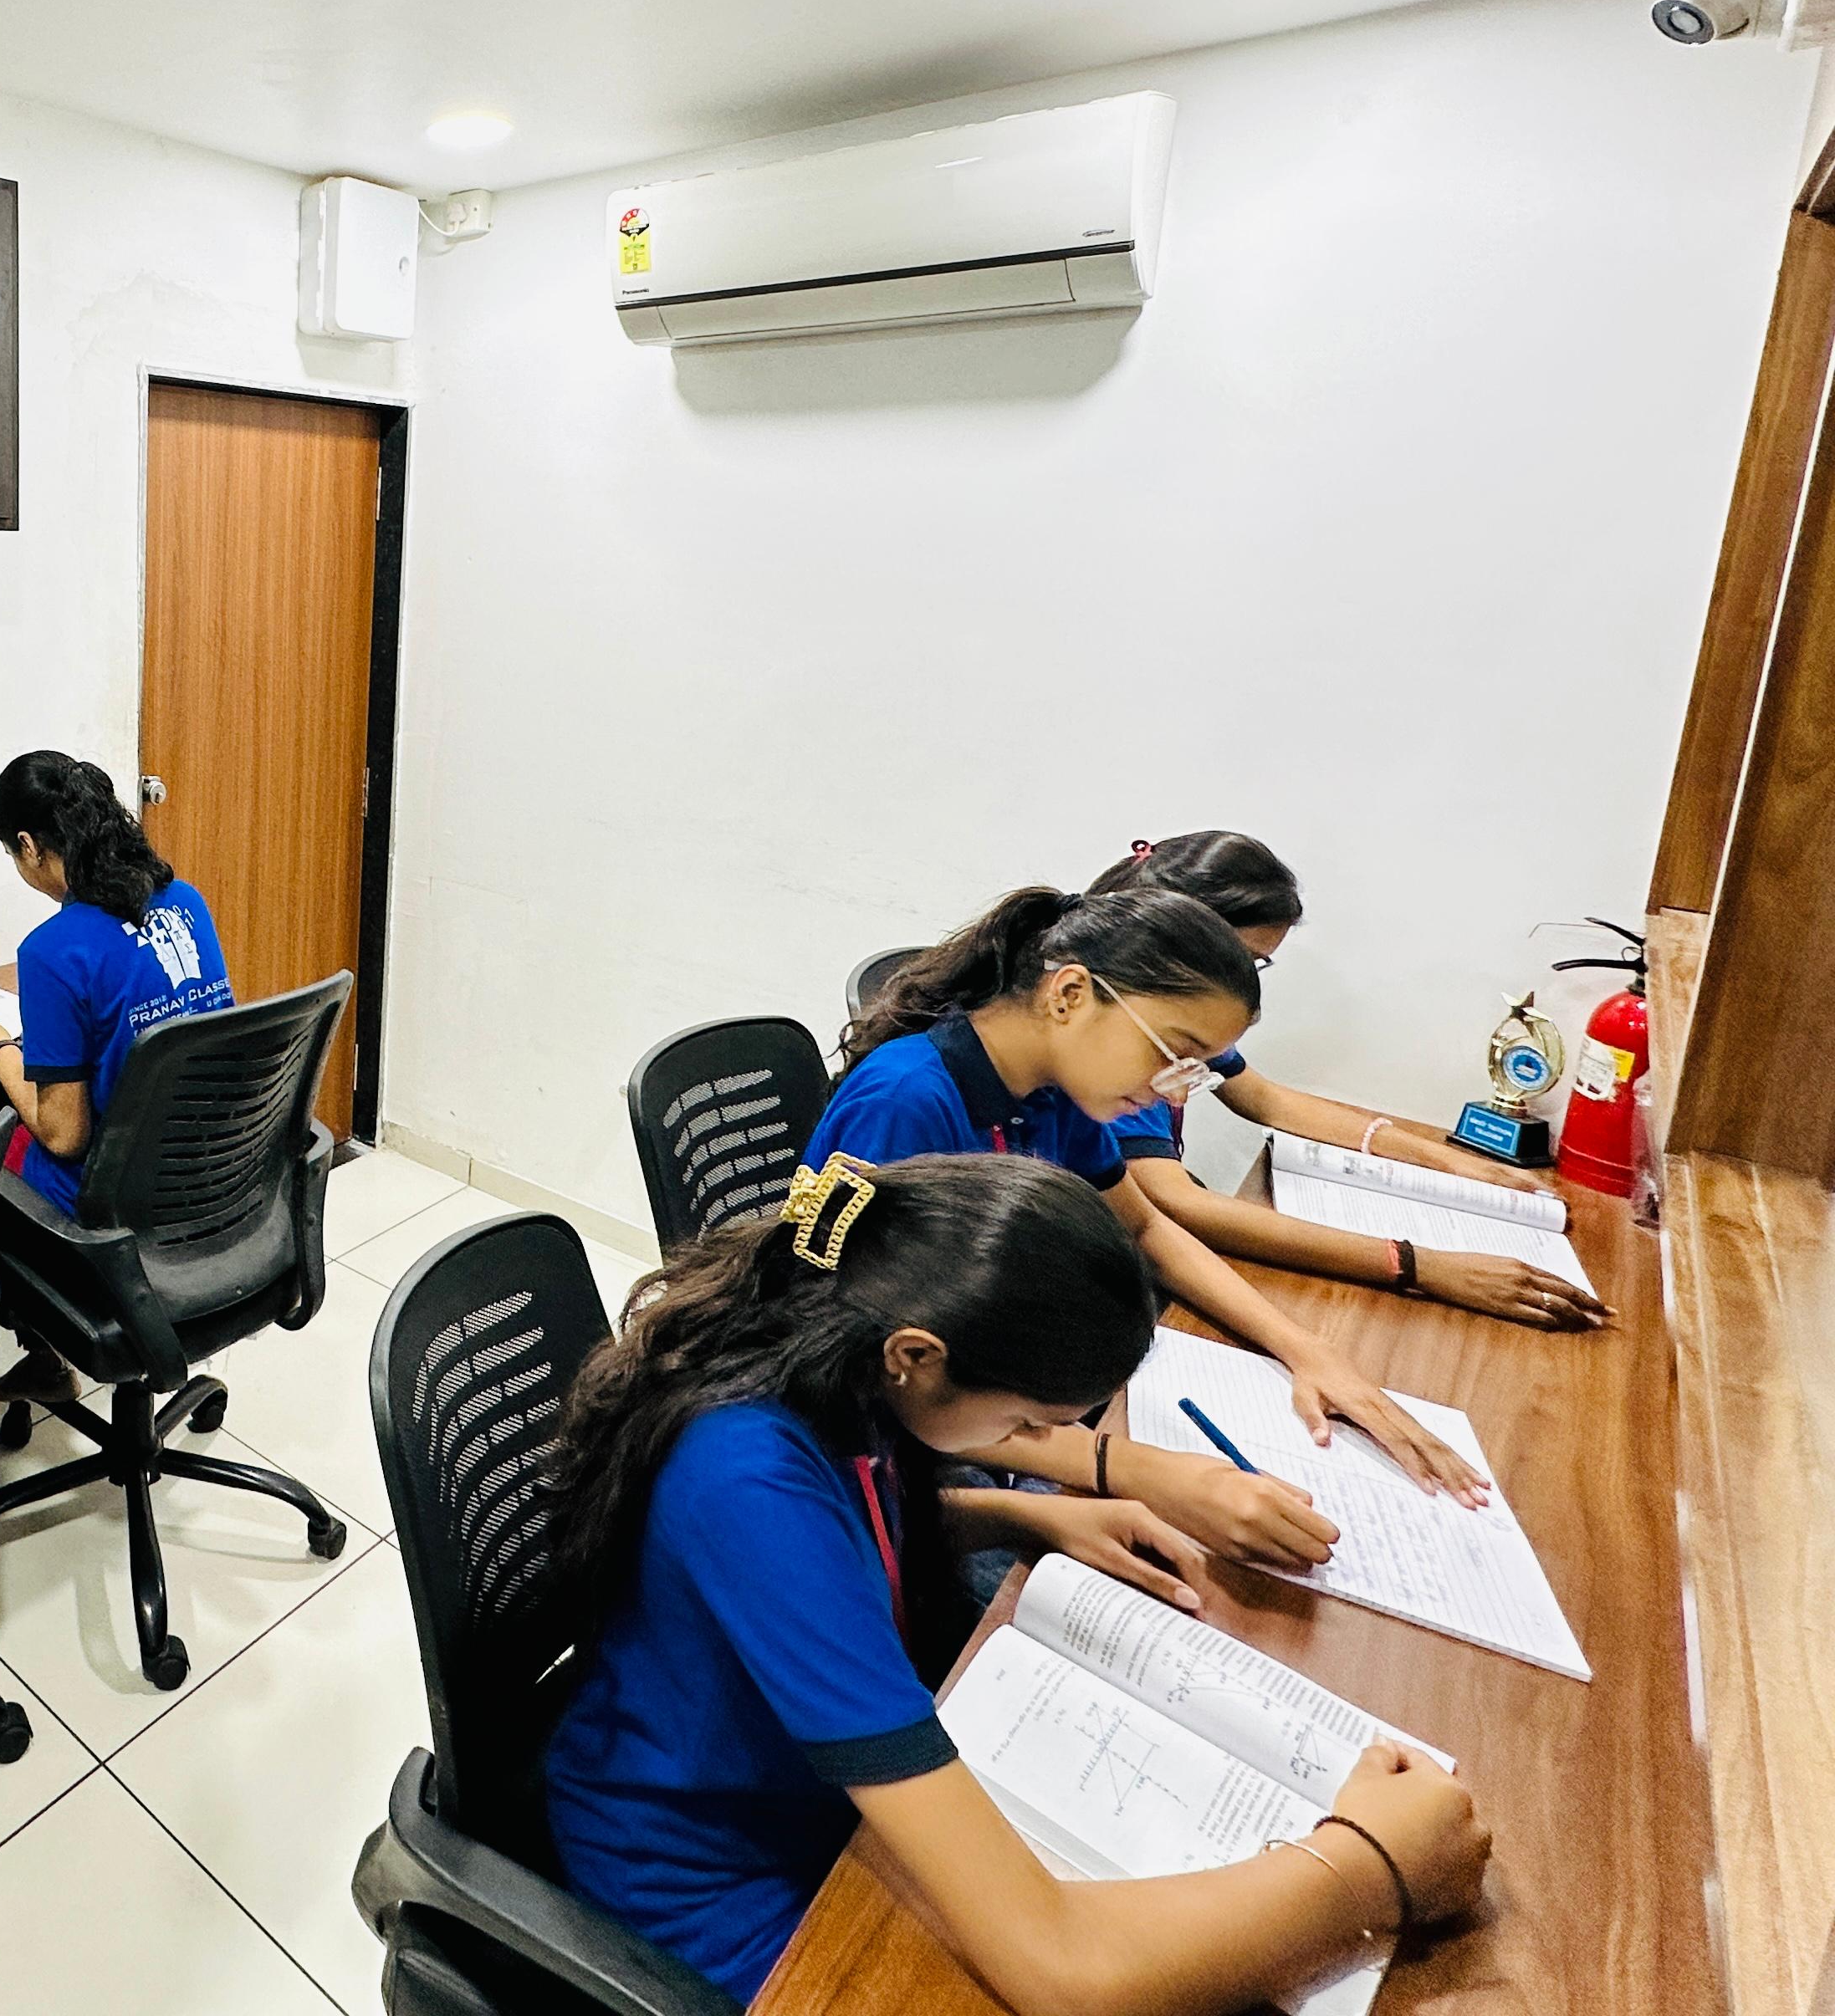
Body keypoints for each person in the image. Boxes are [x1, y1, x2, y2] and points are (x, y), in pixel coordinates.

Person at [542, 1154, 1491, 2014]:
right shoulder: (748, 1477)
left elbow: (842, 1534)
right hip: (714, 1876)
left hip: (810, 1803)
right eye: (1033, 1424)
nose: (1041, 1449)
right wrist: (1374, 1870)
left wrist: (1030, 1514)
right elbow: (1061, 1971)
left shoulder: (837, 1368)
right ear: (918, 1357)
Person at [815, 885, 1487, 1569]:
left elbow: (1142, 1228)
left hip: (1011, 1399)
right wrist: (1128, 1468)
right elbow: (875, 1374)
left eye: (1193, 1069)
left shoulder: (1055, 1088)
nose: (1173, 1089)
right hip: (906, 1453)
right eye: (1173, 1051)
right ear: (1069, 995)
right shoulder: (904, 1104)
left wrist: (1303, 1347)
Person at [1090, 833, 1608, 1331]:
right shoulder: (1126, 1046)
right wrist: (1417, 1265)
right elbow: (1175, 1204)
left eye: (1257, 965)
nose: (1245, 981)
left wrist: (1446, 1161)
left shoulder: (1169, 1016)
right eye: (1242, 961)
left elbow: (1263, 1098)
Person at [0, 750, 233, 1217]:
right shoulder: (186, 901)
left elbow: (65, 1136)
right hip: (208, 1169)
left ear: (29, 846)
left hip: (110, 1202)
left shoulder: (51, 952)